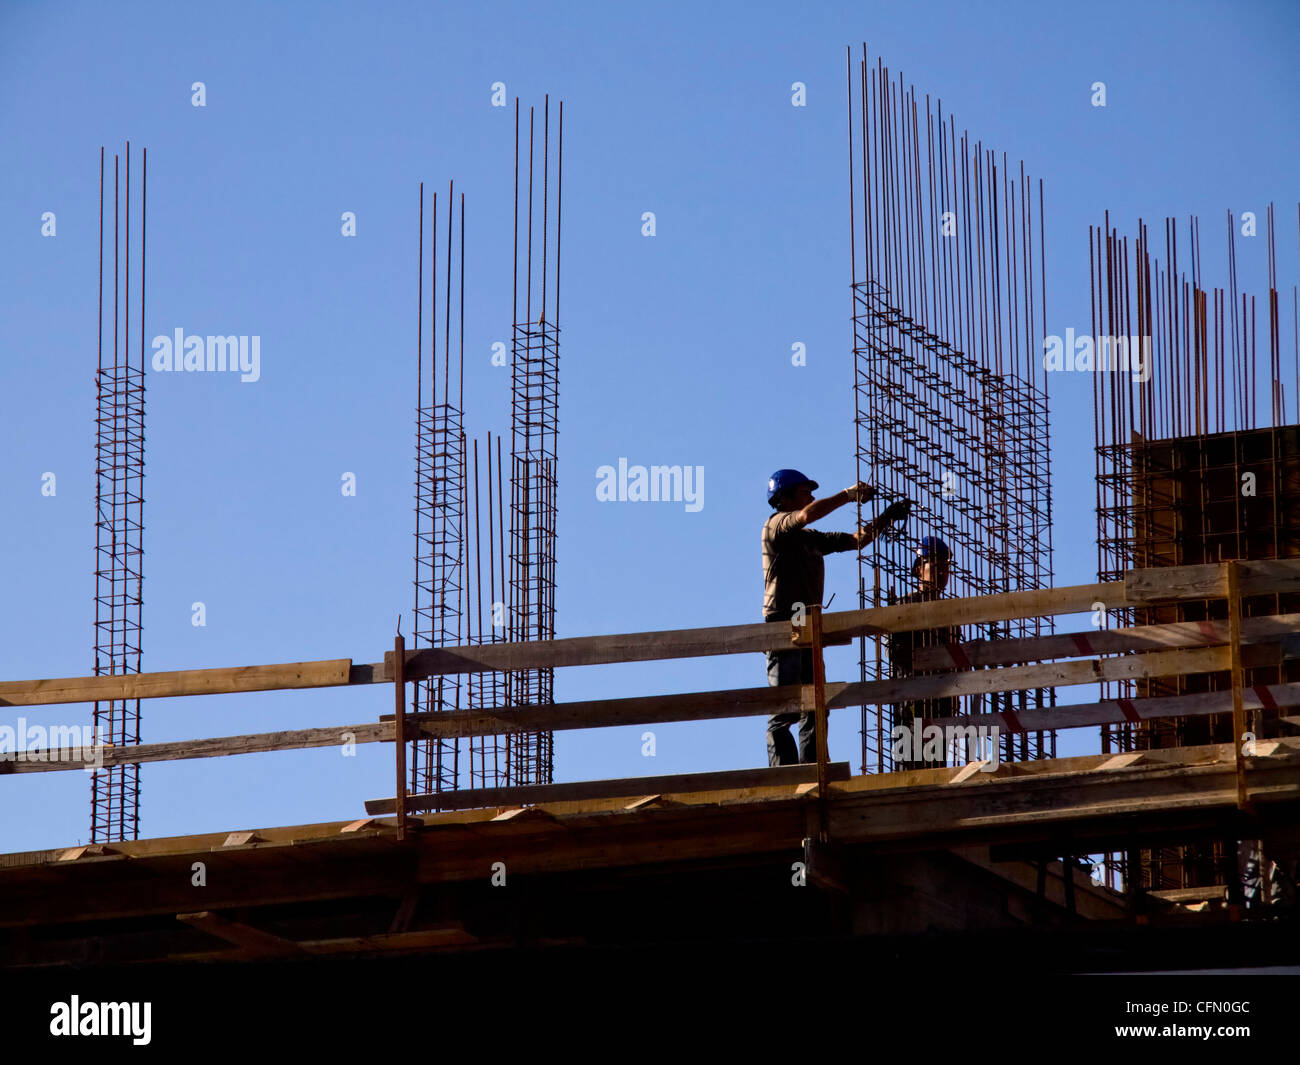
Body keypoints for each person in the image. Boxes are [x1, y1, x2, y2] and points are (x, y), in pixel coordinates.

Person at [762, 469, 891, 766]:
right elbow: (807, 515)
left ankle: (812, 769)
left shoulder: (809, 539)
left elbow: (856, 540)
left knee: (816, 705)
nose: (811, 496)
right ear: (784, 498)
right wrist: (847, 495)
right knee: (785, 706)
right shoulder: (776, 525)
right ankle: (783, 775)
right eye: (805, 491)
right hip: (784, 624)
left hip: (807, 624)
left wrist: (886, 518)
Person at [888, 535, 962, 771]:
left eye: (946, 567)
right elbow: (896, 654)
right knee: (910, 773)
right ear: (919, 569)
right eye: (936, 565)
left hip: (941, 705)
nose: (942, 572)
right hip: (913, 703)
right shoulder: (906, 606)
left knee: (937, 771)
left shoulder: (950, 617)